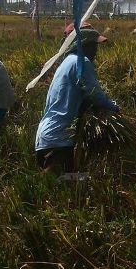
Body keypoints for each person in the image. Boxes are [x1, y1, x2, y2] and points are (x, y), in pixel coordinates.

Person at [35, 27, 119, 175]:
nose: (95, 51)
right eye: (93, 46)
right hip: (59, 140)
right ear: (83, 46)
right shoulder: (81, 62)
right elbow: (95, 94)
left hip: (46, 137)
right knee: (68, 186)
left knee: (61, 187)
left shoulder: (66, 62)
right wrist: (115, 108)